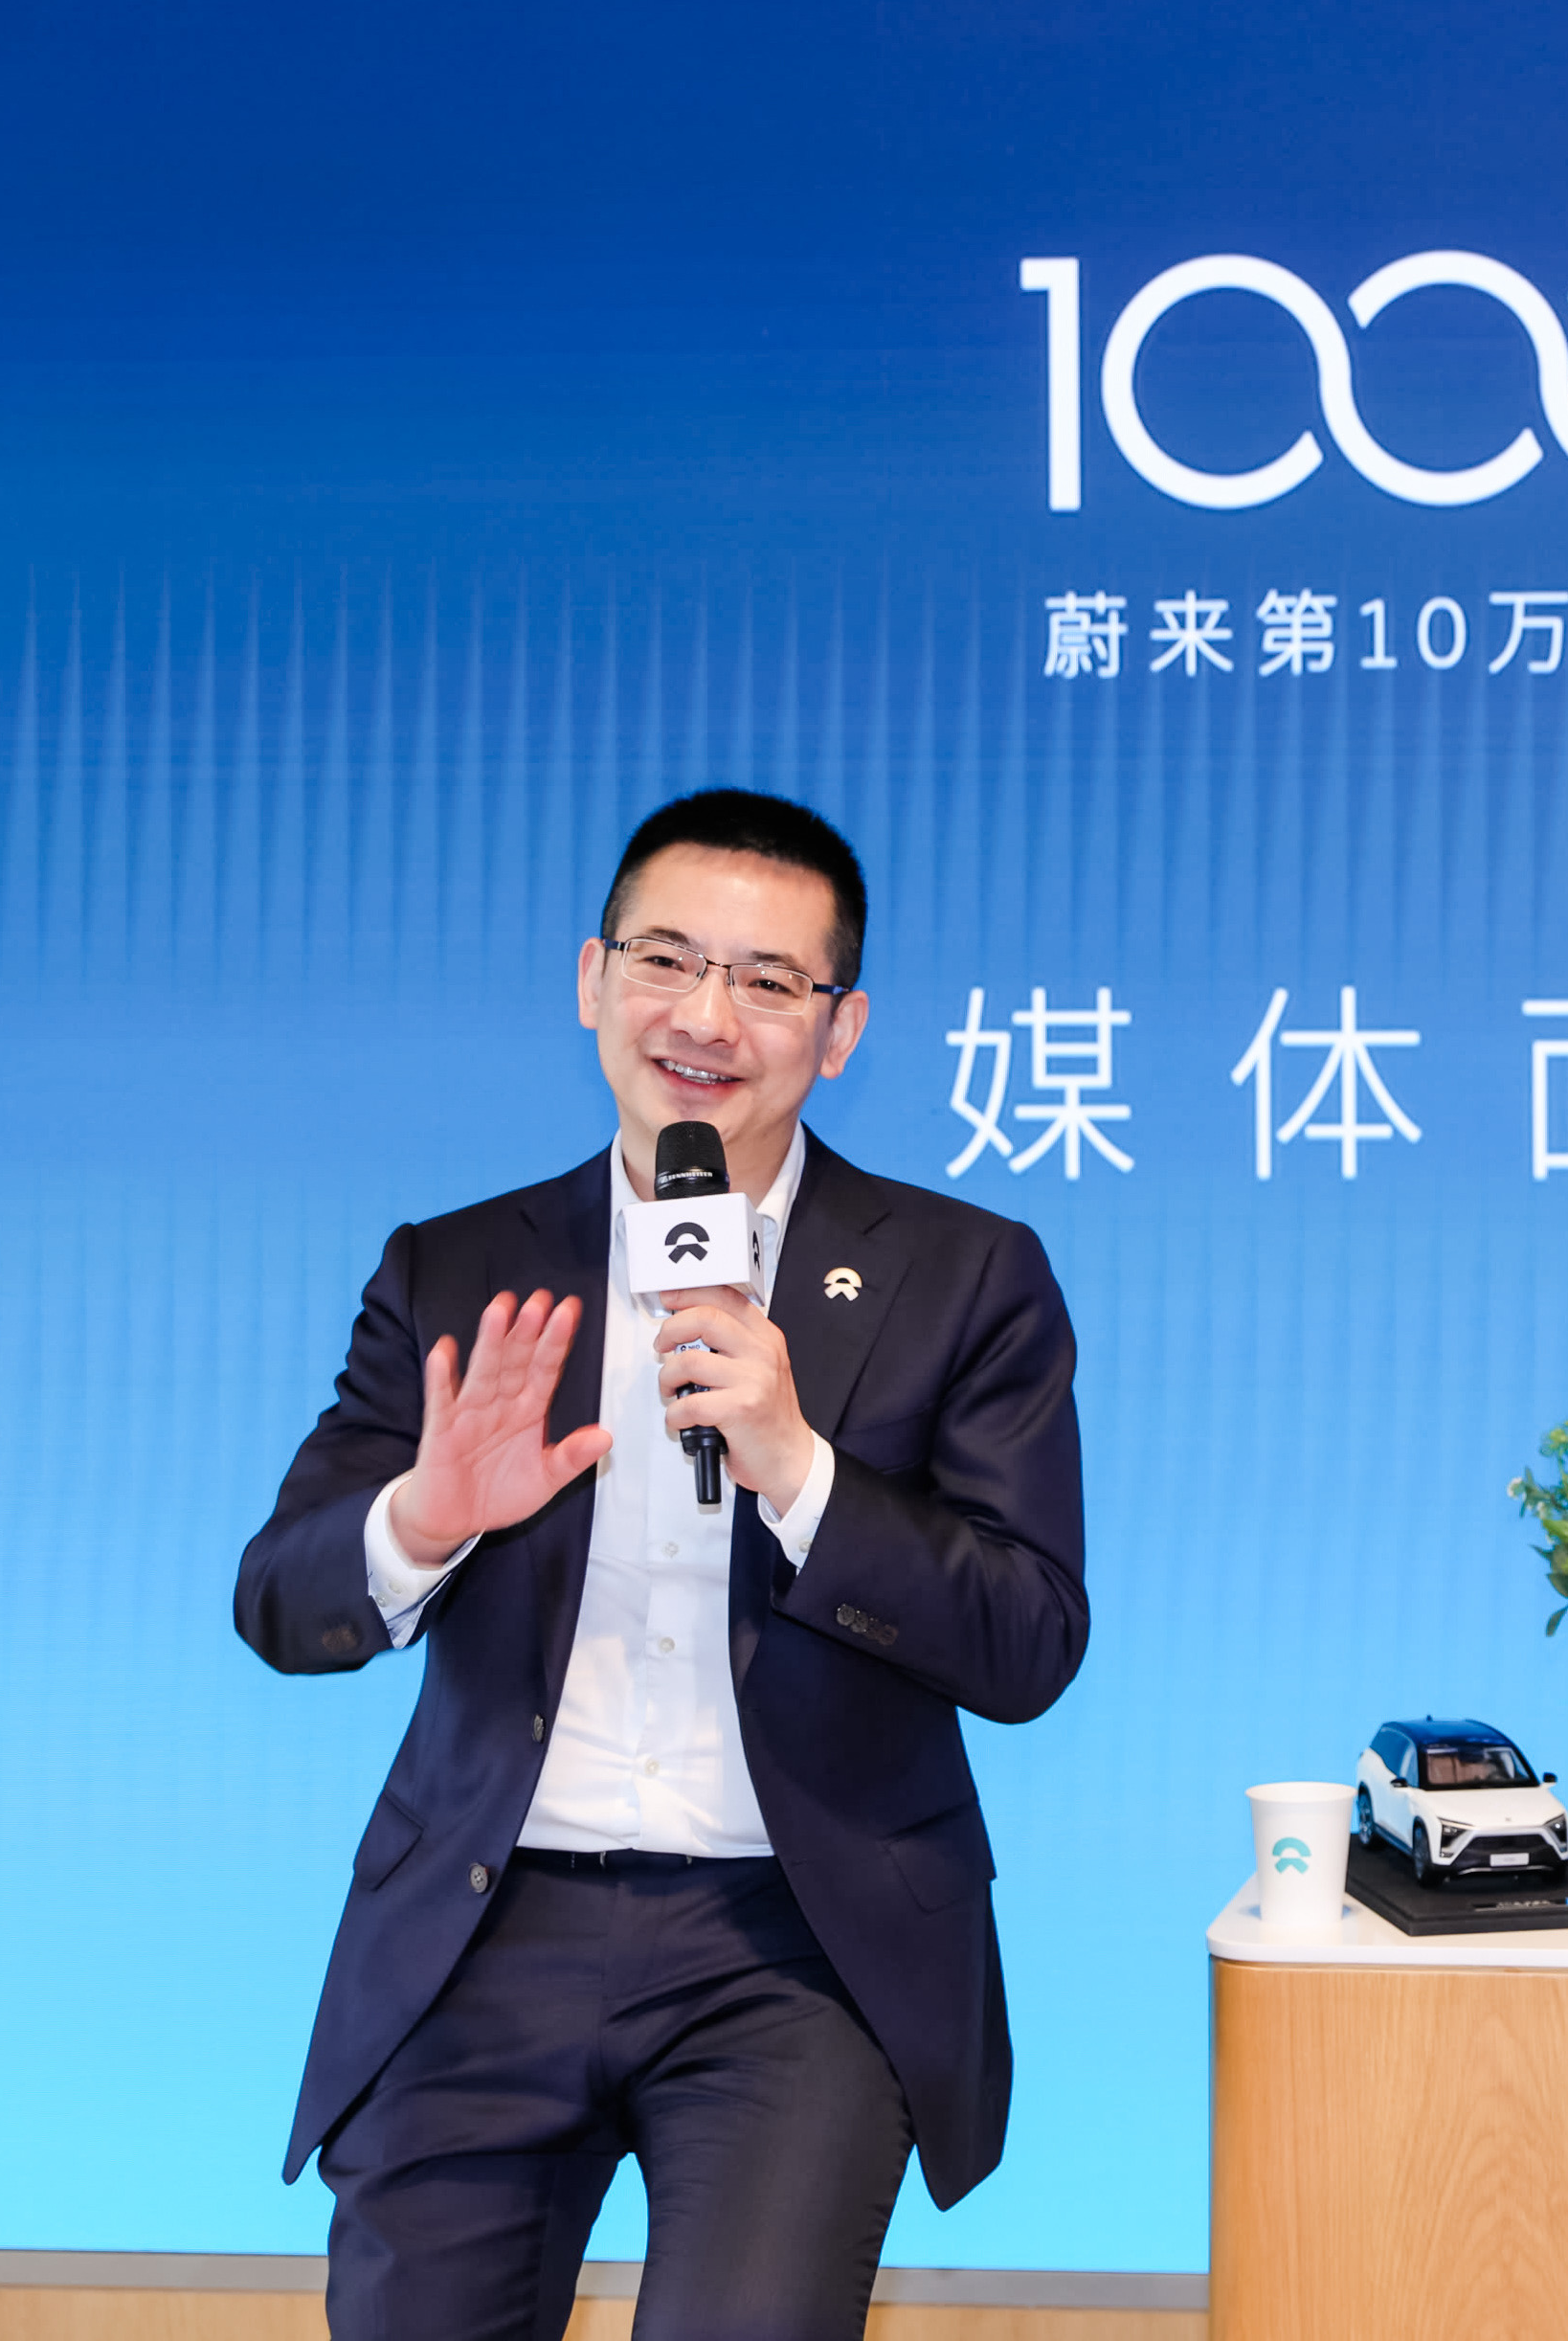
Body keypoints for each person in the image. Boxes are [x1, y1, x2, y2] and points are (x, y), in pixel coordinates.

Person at [235, 789, 1088, 2340]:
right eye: (666, 960)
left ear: (840, 1028)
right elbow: (279, 1602)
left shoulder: (965, 1275)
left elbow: (1027, 1640)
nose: (704, 1017)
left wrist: (802, 1469)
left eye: (767, 981)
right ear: (592, 978)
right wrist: (425, 1516)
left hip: (797, 1946)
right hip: (485, 1921)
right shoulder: (456, 1266)